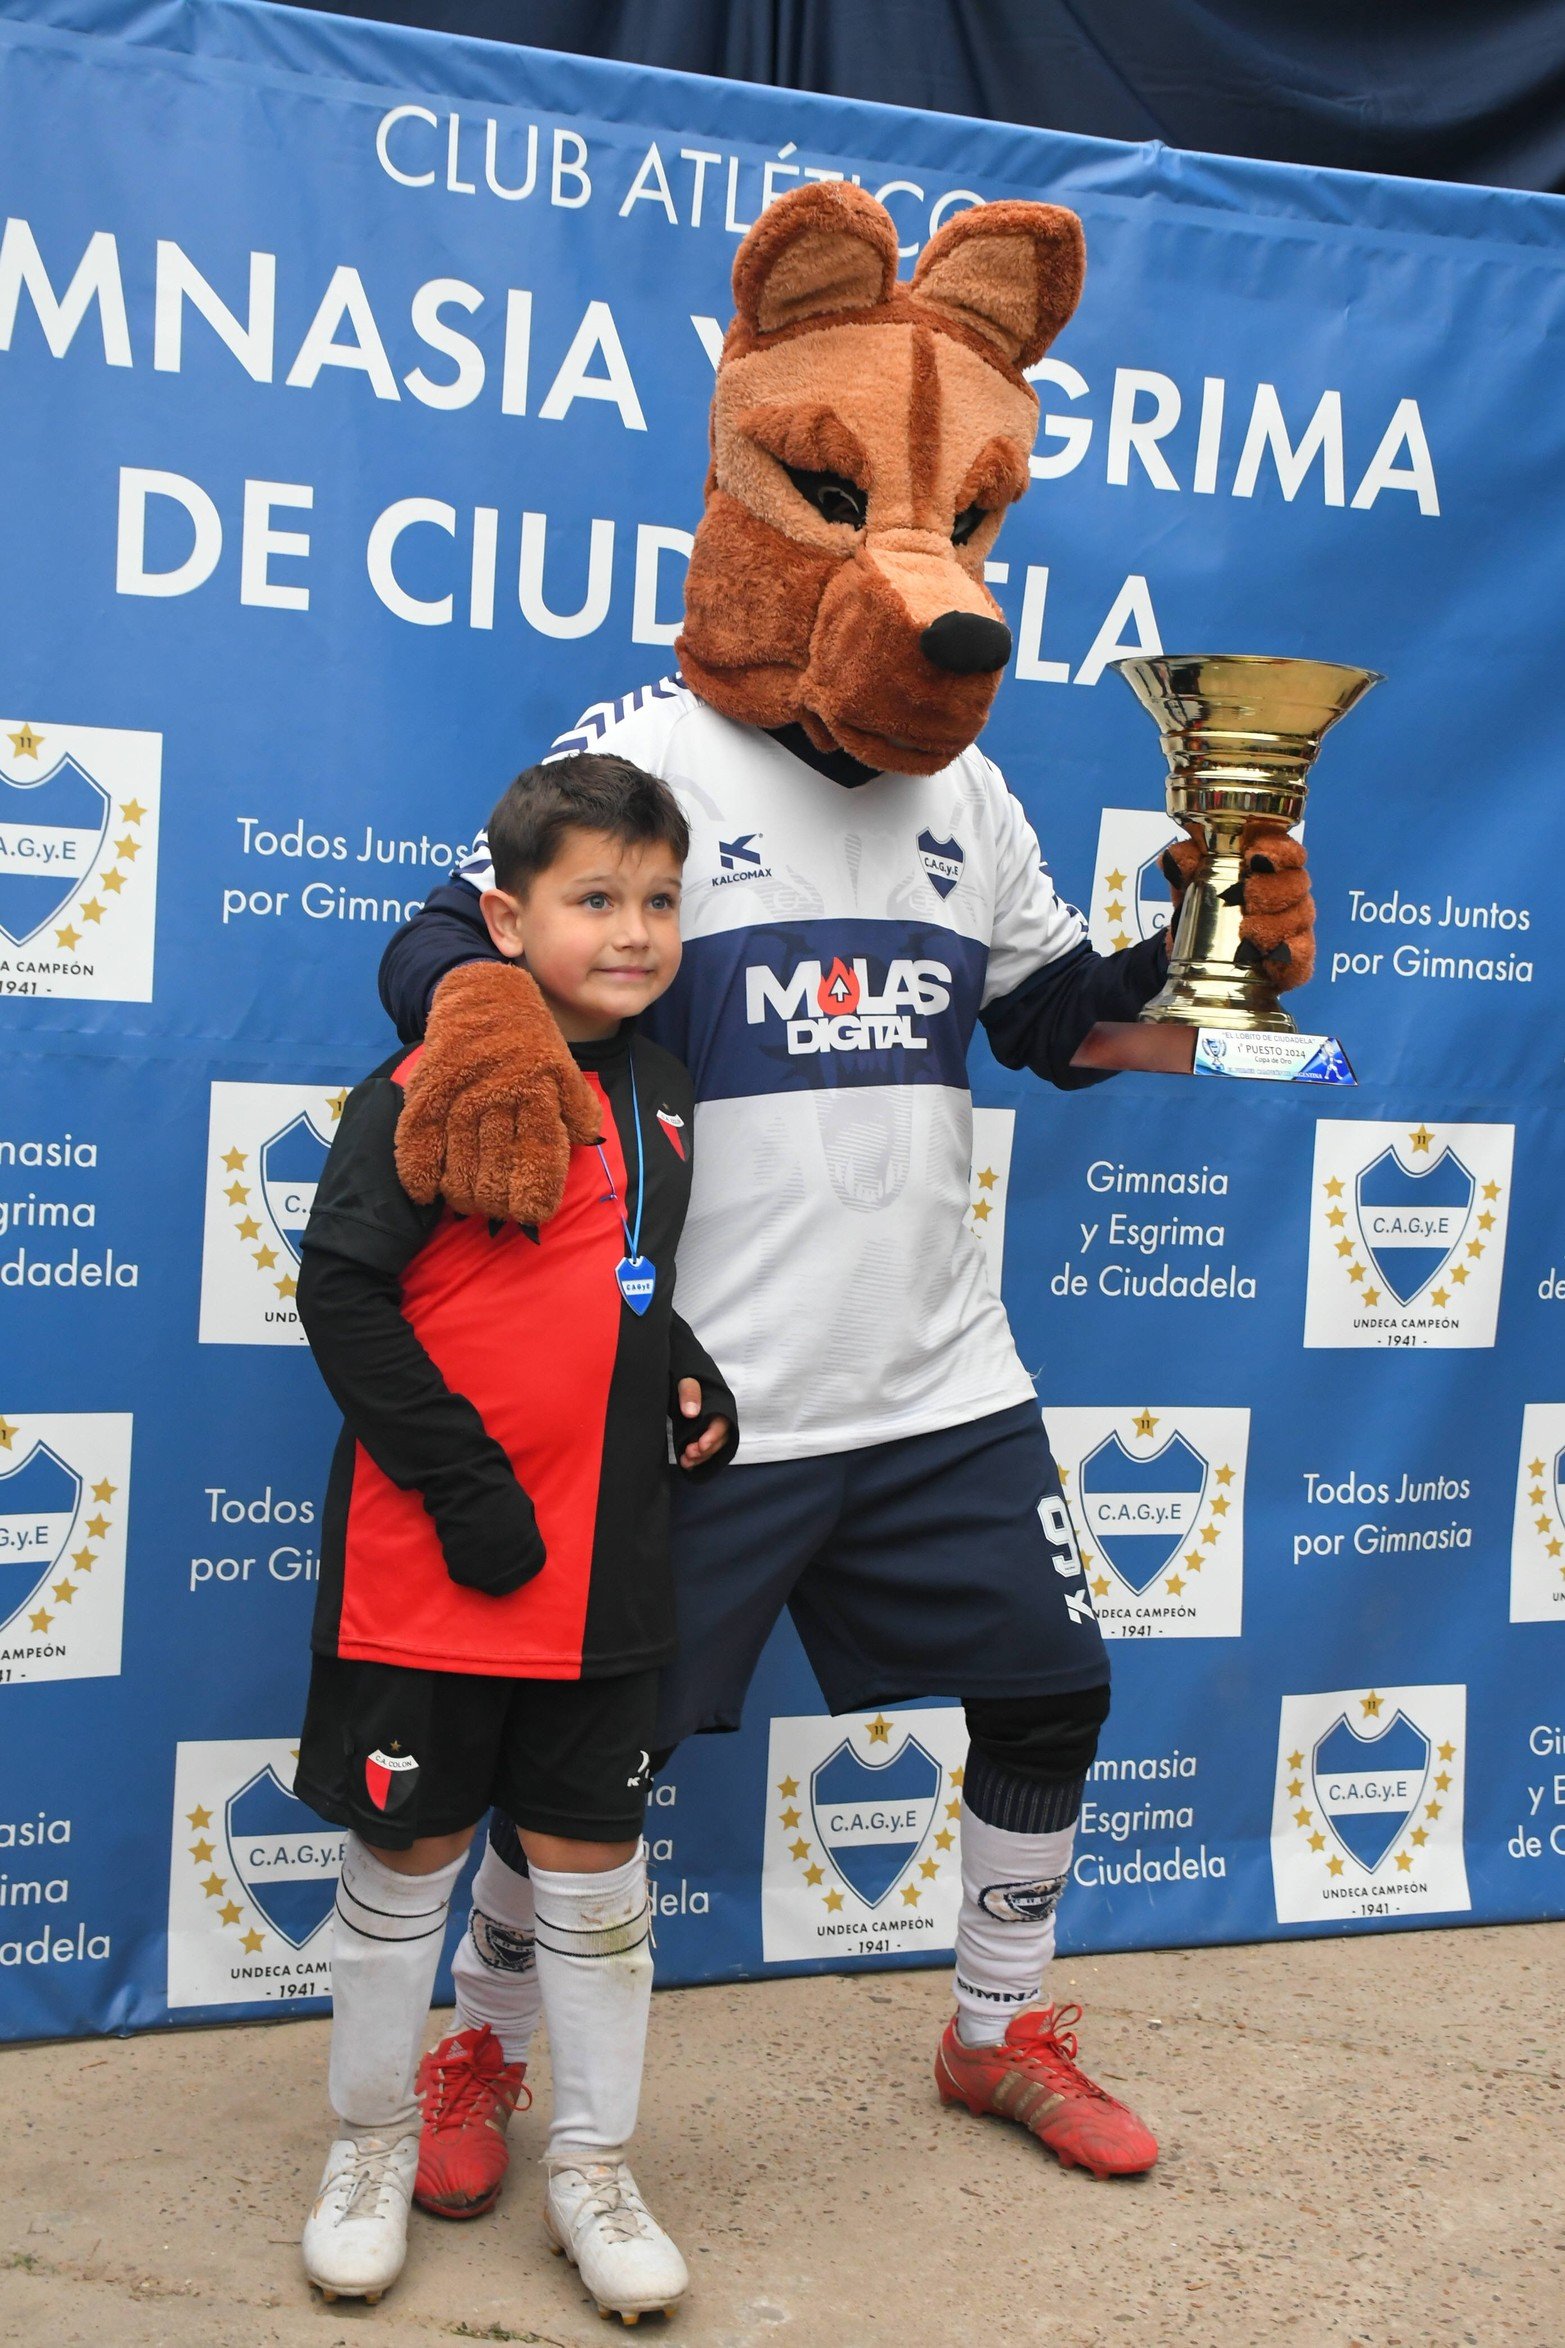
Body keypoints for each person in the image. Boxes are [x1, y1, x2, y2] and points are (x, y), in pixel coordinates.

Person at [378, 184, 1318, 2211]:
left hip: (933, 1379)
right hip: (691, 1394)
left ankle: (993, 2025)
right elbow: (442, 943)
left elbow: (1057, 1024)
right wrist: (471, 1005)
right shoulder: (642, 763)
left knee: (1058, 1685)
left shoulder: (961, 793)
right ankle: (484, 2041)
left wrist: (1206, 969)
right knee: (577, 1771)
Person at [292, 752, 737, 2319]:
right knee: (403, 1863)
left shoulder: (667, 1087)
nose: (634, 930)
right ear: (505, 914)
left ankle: (595, 2168)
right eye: (594, 898)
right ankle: (366, 2140)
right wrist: (468, 1489)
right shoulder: (427, 1080)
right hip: (438, 1569)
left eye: (661, 900)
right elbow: (340, 1295)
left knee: (594, 1880)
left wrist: (683, 1368)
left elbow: (623, 1279)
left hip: (604, 1573)